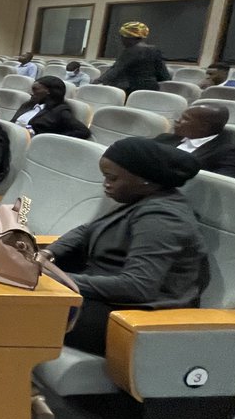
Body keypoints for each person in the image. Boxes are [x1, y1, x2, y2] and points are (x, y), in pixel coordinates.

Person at [40, 138, 208, 357]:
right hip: (106, 298)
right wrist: (47, 253)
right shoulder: (140, 199)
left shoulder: (162, 217)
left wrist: (57, 279)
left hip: (133, 318)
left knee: (18, 310)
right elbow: (86, 230)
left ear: (145, 179)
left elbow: (138, 287)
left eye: (112, 178)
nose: (105, 184)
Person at [155, 104, 235, 179]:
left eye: (185, 118)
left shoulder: (229, 154)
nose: (177, 120)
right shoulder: (165, 138)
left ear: (204, 126)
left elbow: (219, 185)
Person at [97, 21, 171, 95]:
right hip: (151, 91)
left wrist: (97, 82)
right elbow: (164, 76)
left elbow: (114, 71)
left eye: (122, 37)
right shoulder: (155, 51)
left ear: (129, 37)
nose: (121, 40)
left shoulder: (130, 52)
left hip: (131, 91)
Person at [10, 76, 91, 139]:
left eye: (35, 89)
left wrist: (48, 138)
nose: (31, 92)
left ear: (49, 91)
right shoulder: (28, 104)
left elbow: (83, 131)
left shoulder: (60, 111)